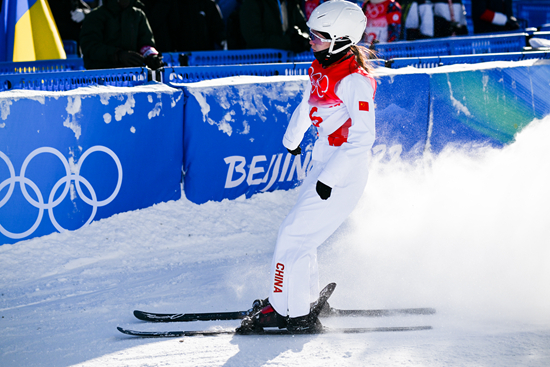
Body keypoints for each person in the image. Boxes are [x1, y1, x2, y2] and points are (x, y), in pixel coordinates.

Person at [237, 0, 377, 334]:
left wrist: (330, 178)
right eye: (312, 32)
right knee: (302, 236)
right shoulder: (322, 68)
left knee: (292, 236)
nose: (310, 39)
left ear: (341, 39)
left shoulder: (354, 81)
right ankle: (301, 298)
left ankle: (288, 310)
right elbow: (307, 103)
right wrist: (292, 138)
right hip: (324, 156)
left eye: (319, 35)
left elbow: (362, 140)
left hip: (343, 169)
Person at [79, 0, 163, 70]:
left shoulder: (138, 15)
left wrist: (151, 56)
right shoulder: (96, 16)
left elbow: (146, 42)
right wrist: (117, 55)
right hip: (102, 77)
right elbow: (89, 47)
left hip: (134, 76)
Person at [142, 0, 226, 53]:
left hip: (205, 58)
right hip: (177, 59)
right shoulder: (169, 4)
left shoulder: (207, 4)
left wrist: (223, 41)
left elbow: (218, 31)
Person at [239, 0, 311, 53]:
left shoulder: (291, 3)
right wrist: (289, 42)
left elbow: (304, 27)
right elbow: (253, 38)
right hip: (260, 62)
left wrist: (302, 38)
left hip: (287, 62)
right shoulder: (253, 3)